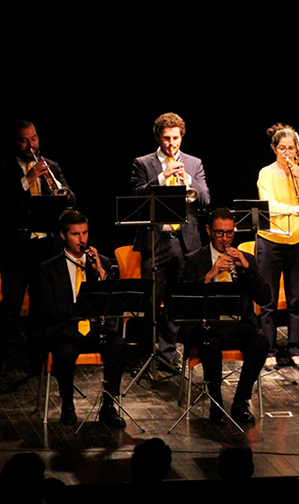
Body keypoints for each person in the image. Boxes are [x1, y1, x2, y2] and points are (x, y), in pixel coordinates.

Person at [0, 119, 75, 374]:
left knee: (42, 307)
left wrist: (57, 188)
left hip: (45, 247)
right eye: (25, 140)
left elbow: (70, 198)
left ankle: (36, 361)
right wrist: (27, 179)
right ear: (15, 142)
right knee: (11, 307)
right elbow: (0, 203)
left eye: (34, 138)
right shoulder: (4, 168)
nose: (31, 145)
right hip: (17, 248)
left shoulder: (52, 166)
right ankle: (1, 362)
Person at [131, 112, 210, 368]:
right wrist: (164, 176)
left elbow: (206, 199)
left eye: (175, 138)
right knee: (151, 302)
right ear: (158, 137)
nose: (171, 144)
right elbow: (138, 198)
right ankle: (144, 354)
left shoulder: (194, 163)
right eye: (166, 138)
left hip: (186, 240)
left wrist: (188, 179)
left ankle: (168, 353)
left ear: (181, 137)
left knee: (179, 301)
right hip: (157, 240)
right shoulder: (143, 163)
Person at [179, 207, 270, 425]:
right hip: (208, 325)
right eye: (220, 233)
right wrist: (210, 274)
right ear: (209, 230)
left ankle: (240, 403)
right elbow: (184, 303)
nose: (225, 238)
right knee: (210, 344)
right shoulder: (194, 260)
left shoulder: (245, 259)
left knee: (260, 342)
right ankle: (216, 404)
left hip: (239, 324)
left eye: (229, 233)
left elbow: (264, 298)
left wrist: (246, 268)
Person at [38, 210, 126, 427]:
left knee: (118, 345)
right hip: (66, 328)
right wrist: (80, 307)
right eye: (76, 234)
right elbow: (49, 311)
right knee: (64, 351)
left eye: (85, 233)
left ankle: (109, 405)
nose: (82, 239)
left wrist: (101, 273)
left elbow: (114, 304)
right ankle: (68, 405)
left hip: (96, 328)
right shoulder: (49, 269)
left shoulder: (101, 263)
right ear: (63, 236)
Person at [256, 123, 299, 371]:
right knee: (269, 301)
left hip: (297, 241)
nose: (287, 153)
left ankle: (295, 349)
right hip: (270, 242)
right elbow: (267, 204)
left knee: (295, 300)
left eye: (291, 149)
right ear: (274, 149)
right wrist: (292, 210)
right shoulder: (266, 173)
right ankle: (269, 350)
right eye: (282, 148)